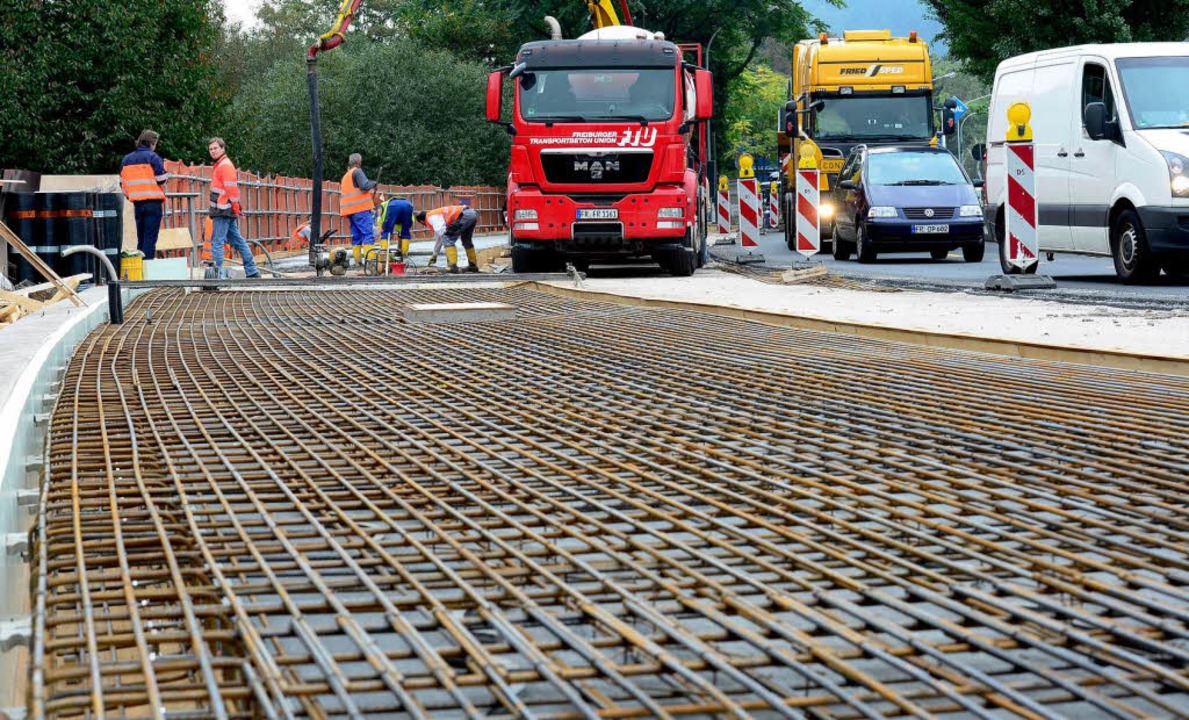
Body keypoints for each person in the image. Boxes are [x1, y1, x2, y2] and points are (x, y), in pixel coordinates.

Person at [206, 137, 260, 278]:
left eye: (215, 148)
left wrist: (236, 208)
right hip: (224, 209)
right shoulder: (222, 165)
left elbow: (232, 190)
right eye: (211, 149)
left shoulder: (224, 165)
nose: (213, 151)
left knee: (217, 242)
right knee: (237, 240)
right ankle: (252, 270)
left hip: (222, 210)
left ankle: (218, 275)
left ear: (223, 149)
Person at [119, 130, 168, 259]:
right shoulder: (153, 157)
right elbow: (161, 179)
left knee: (141, 238)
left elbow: (122, 185)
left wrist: (132, 196)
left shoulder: (126, 159)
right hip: (153, 203)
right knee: (150, 240)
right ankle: (148, 269)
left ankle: (139, 269)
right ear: (152, 143)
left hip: (137, 204)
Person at [340, 153, 378, 267]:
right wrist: (374, 183)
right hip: (360, 209)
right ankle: (370, 263)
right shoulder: (357, 171)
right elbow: (365, 185)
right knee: (368, 235)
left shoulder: (346, 175)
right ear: (358, 162)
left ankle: (358, 262)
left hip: (350, 211)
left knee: (357, 236)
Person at [416, 205, 479, 273]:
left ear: (421, 221)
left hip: (464, 216)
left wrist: (449, 239)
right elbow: (439, 239)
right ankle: (473, 266)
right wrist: (435, 255)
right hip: (472, 214)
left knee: (448, 238)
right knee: (466, 240)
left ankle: (452, 266)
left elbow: (444, 236)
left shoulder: (431, 218)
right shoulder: (434, 215)